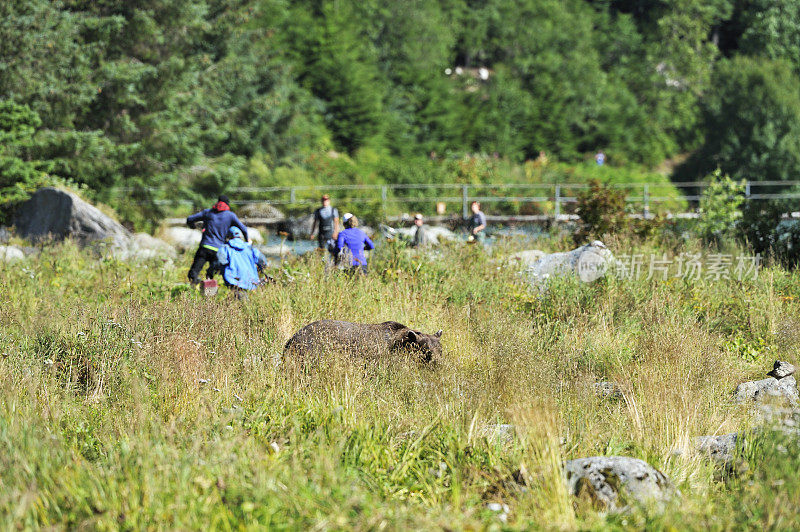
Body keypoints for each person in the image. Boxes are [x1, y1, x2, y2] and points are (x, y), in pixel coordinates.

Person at [186, 195, 249, 285]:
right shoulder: (230, 215)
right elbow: (244, 229)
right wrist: (247, 242)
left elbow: (190, 219)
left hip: (204, 247)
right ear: (227, 204)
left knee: (193, 273)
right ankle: (209, 284)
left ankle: (194, 289)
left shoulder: (208, 212)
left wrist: (193, 226)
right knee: (213, 274)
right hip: (218, 250)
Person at [216, 227, 268, 293]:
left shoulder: (224, 248)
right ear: (241, 236)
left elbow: (220, 262)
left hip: (232, 279)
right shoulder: (250, 247)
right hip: (252, 281)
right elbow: (263, 262)